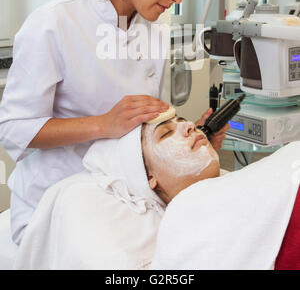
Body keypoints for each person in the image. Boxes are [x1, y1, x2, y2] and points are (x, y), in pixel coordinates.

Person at [0, 0, 227, 245]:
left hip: (124, 199)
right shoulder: (54, 24)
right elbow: (13, 129)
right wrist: (103, 124)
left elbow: (146, 125)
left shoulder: (153, 32)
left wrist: (190, 134)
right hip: (56, 203)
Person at [13, 114, 222, 270]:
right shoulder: (117, 245)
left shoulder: (239, 186)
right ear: (148, 177)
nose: (189, 126)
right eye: (165, 133)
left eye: (186, 121)